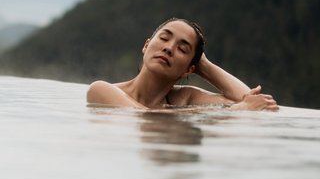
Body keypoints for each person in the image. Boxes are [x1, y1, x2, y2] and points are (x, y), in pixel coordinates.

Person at [86, 17, 279, 111]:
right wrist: (239, 109)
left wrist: (204, 65)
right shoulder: (101, 90)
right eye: (164, 38)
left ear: (189, 69)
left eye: (183, 49)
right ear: (146, 45)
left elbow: (248, 100)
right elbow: (141, 116)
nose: (169, 48)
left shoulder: (184, 99)